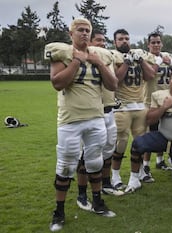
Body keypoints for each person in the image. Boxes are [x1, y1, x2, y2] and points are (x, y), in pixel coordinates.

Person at [45, 18, 118, 232]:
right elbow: (57, 83)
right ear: (71, 33)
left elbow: (113, 85)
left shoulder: (100, 55)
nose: (84, 34)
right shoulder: (62, 53)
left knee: (95, 162)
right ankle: (59, 211)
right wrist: (76, 61)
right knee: (66, 166)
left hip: (96, 117)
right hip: (70, 119)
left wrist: (99, 63)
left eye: (87, 30)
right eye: (80, 30)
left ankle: (97, 202)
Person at [76, 30, 124, 213]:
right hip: (90, 113)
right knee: (87, 154)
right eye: (98, 40)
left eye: (104, 40)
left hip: (109, 110)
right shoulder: (84, 57)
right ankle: (82, 193)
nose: (102, 43)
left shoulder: (106, 57)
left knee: (108, 150)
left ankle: (105, 183)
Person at [110, 29, 156, 193]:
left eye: (127, 38)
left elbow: (151, 76)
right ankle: (115, 176)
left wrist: (141, 61)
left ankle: (139, 174)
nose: (124, 41)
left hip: (140, 105)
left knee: (141, 143)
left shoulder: (138, 55)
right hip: (122, 107)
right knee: (120, 143)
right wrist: (127, 63)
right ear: (115, 42)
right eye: (121, 39)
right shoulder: (113, 56)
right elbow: (114, 80)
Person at [142, 32, 172, 172]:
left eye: (158, 42)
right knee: (150, 134)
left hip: (166, 100)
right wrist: (158, 63)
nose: (156, 45)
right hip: (151, 101)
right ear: (148, 44)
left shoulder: (167, 56)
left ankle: (160, 160)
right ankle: (145, 164)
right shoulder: (145, 57)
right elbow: (147, 76)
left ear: (161, 43)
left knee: (164, 132)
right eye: (153, 42)